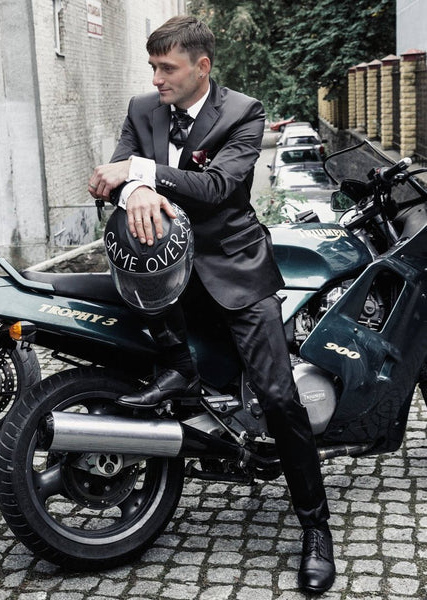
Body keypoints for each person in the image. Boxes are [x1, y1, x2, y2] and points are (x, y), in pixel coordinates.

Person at [88, 15, 335, 594]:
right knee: (130, 263)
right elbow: (110, 179)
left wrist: (139, 174)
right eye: (152, 67)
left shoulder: (243, 113)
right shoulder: (142, 109)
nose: (156, 79)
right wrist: (135, 188)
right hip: (163, 268)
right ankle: (180, 368)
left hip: (234, 266)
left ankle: (315, 528)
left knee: (278, 396)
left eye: (167, 68)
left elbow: (219, 189)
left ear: (202, 67)